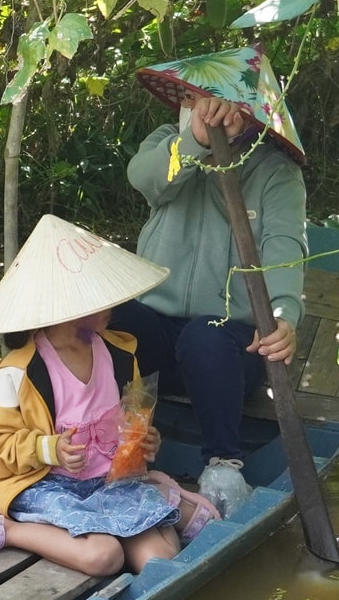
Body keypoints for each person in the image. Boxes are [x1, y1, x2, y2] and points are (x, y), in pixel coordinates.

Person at [0, 215, 218, 577]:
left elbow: (132, 423)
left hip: (109, 482)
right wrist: (49, 449)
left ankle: (153, 504)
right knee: (103, 557)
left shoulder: (121, 356)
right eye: (101, 299)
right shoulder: (19, 372)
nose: (114, 306)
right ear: (68, 307)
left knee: (160, 561)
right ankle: (2, 530)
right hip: (44, 485)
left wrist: (142, 443)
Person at [112, 46, 310, 516]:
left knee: (207, 335)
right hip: (156, 333)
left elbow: (285, 246)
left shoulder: (274, 170)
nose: (196, 110)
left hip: (226, 345)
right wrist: (197, 143)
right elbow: (143, 179)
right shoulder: (168, 145)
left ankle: (223, 464)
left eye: (209, 102)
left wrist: (283, 316)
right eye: (189, 99)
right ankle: (111, 440)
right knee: (111, 314)